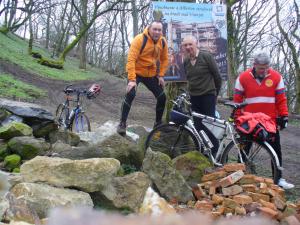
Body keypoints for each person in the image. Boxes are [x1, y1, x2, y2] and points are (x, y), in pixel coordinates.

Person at [234, 52, 294, 189]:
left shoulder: (277, 77)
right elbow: (237, 100)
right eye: (261, 68)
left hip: (269, 121)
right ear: (254, 65)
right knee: (244, 150)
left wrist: (284, 116)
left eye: (267, 67)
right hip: (249, 122)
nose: (264, 70)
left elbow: (281, 99)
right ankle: (238, 175)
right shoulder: (242, 78)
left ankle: (278, 179)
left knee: (276, 150)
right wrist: (237, 118)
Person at [117, 21, 168, 135]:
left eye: (159, 30)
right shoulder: (139, 39)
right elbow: (131, 60)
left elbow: (165, 59)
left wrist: (161, 75)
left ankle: (158, 123)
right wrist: (131, 80)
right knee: (130, 93)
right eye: (154, 29)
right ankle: (122, 123)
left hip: (151, 74)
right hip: (137, 72)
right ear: (149, 29)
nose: (157, 32)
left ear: (162, 31)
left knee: (162, 97)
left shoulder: (163, 42)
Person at [182, 35, 222, 156]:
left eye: (190, 44)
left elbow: (217, 77)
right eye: (186, 45)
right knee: (198, 126)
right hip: (195, 98)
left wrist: (215, 95)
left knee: (209, 126)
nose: (188, 47)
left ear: (196, 44)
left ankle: (215, 153)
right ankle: (204, 151)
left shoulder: (206, 57)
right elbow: (189, 79)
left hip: (208, 96)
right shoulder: (186, 61)